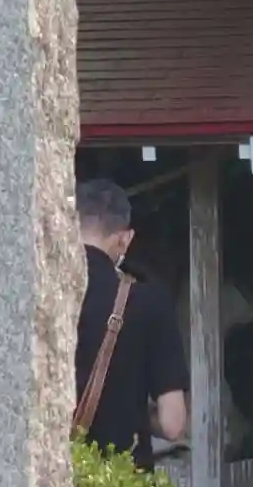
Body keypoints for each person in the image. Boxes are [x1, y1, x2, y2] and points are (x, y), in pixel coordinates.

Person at [75, 178, 188, 469]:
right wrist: (135, 414)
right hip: (123, 482)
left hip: (49, 477)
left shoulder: (44, 293)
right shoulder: (149, 302)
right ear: (125, 239)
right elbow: (173, 423)